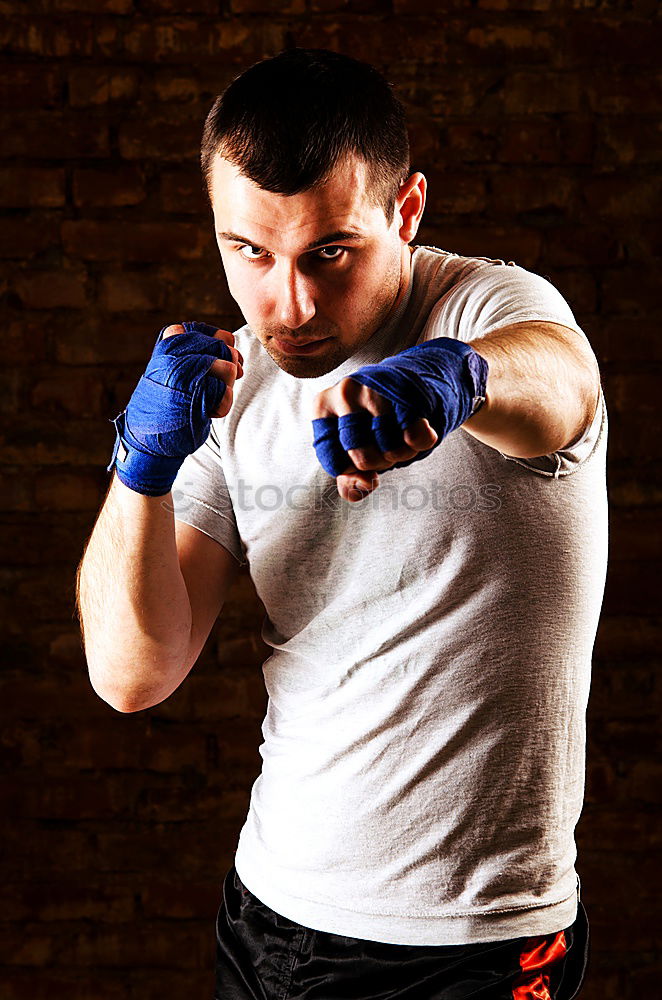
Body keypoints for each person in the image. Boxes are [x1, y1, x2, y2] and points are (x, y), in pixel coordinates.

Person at [76, 48, 607, 1000]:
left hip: (472, 946)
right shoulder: (226, 388)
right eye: (251, 254)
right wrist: (140, 468)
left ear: (405, 211)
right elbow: (132, 673)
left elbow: (560, 382)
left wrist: (460, 381)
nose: (294, 304)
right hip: (269, 914)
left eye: (331, 252)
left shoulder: (489, 309)